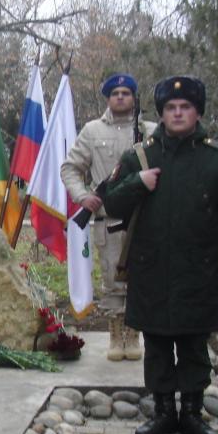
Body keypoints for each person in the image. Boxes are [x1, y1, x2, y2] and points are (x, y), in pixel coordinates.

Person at [104, 76, 218, 434]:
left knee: (193, 345)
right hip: (151, 269)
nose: (177, 113)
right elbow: (112, 203)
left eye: (185, 107)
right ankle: (163, 413)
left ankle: (191, 413)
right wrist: (138, 182)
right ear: (162, 114)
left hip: (198, 271)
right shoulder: (141, 155)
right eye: (170, 108)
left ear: (197, 111)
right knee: (156, 345)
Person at [61, 73, 155, 362]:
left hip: (144, 216)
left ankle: (134, 334)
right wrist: (82, 197)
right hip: (108, 217)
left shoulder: (150, 130)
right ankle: (116, 333)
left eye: (126, 93)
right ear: (107, 98)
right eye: (115, 94)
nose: (121, 97)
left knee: (142, 278)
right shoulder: (91, 131)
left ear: (134, 97)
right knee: (113, 279)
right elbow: (70, 168)